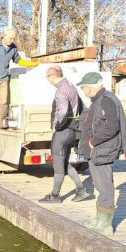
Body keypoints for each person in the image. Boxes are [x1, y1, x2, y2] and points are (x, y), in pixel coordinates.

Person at [76, 72, 126, 235]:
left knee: (104, 185)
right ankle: (99, 219)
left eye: (84, 88)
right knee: (100, 184)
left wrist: (93, 141)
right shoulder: (100, 99)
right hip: (100, 149)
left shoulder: (106, 100)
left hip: (102, 148)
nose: (83, 91)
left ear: (90, 87)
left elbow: (112, 125)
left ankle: (105, 224)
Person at [39, 66, 88, 203]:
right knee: (65, 163)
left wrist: (58, 125)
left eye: (48, 78)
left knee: (58, 165)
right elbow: (81, 107)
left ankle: (55, 196)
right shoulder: (71, 86)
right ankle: (81, 190)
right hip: (72, 131)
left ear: (53, 76)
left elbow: (63, 112)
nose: (48, 80)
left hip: (63, 133)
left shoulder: (61, 91)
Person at [0, 27, 37, 129]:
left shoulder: (13, 48)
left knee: (3, 102)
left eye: (14, 38)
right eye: (10, 38)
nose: (12, 40)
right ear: (4, 36)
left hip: (4, 78)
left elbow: (18, 60)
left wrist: (30, 64)